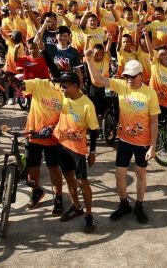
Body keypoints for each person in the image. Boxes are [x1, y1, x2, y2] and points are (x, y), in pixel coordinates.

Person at [86, 59, 159, 224]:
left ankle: (139, 205)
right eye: (127, 76)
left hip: (142, 143)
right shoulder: (121, 86)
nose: (130, 80)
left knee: (140, 173)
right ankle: (124, 203)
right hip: (125, 140)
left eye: (133, 76)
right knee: (120, 174)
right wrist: (89, 59)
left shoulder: (150, 93)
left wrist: (153, 146)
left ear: (141, 76)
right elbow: (98, 79)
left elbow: (154, 121)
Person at [53, 72, 99, 232]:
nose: (61, 89)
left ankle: (88, 214)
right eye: (60, 86)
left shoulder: (87, 105)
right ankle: (76, 206)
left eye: (64, 86)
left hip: (77, 149)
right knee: (69, 178)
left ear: (75, 86)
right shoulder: (65, 96)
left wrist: (92, 152)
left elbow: (94, 130)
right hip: (61, 144)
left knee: (82, 182)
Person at [22, 75, 66, 215]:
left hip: (52, 137)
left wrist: (53, 127)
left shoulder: (66, 90)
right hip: (33, 133)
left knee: (54, 168)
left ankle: (58, 197)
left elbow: (68, 116)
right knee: (32, 167)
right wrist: (14, 81)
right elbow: (22, 85)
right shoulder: (38, 83)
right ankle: (36, 192)